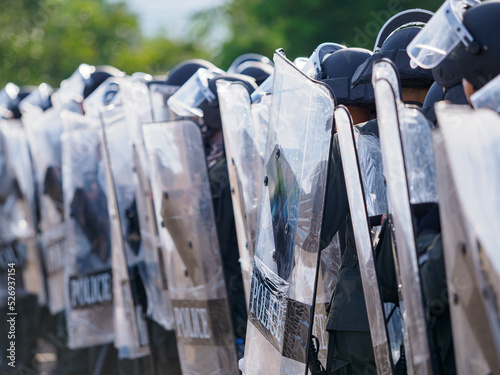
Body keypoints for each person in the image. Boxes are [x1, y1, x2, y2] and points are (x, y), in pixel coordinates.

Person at [321, 15, 435, 374]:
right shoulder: (465, 136)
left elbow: (313, 233)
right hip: (446, 304)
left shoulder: (351, 143)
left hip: (364, 317)